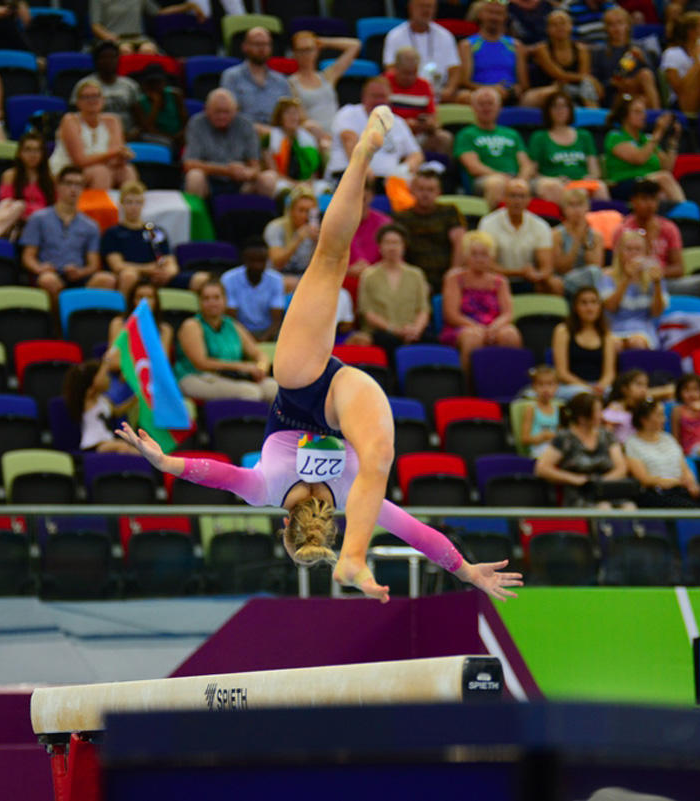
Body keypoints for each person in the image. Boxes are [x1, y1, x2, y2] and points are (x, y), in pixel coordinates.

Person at [118, 106, 521, 603]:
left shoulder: (355, 503)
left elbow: (418, 534)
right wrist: (165, 463)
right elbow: (218, 475)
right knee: (330, 259)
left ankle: (353, 556)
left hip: (340, 399)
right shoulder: (264, 490)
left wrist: (464, 571)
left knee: (378, 459)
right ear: (287, 524)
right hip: (300, 381)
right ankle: (360, 158)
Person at [613, 178, 700, 311]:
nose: (649, 204)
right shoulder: (623, 230)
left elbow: (678, 269)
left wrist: (657, 274)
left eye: (653, 199)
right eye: (644, 199)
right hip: (632, 282)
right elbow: (617, 265)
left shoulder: (668, 228)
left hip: (665, 282)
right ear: (633, 201)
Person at [171, 278, 279, 403]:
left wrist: (260, 368)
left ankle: (271, 423)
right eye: (206, 298)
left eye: (216, 297)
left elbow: (258, 353)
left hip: (230, 376)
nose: (212, 302)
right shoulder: (192, 325)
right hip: (195, 377)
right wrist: (241, 367)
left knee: (273, 388)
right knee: (250, 392)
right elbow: (201, 363)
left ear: (225, 300)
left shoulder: (232, 325)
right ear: (199, 302)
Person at [20, 166, 116, 303]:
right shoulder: (39, 218)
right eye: (68, 183)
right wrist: (40, 268)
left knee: (107, 279)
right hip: (50, 273)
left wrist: (80, 272)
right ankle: (55, 324)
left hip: (78, 276)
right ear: (58, 186)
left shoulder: (90, 225)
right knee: (48, 280)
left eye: (78, 184)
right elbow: (28, 256)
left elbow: (93, 264)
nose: (73, 189)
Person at [440, 230, 523, 372]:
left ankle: (508, 385)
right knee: (473, 337)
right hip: (462, 326)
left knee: (510, 335)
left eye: (484, 254)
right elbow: (451, 314)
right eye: (474, 254)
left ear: (492, 257)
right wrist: (476, 327)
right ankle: (469, 387)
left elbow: (507, 313)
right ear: (466, 256)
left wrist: (495, 327)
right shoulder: (455, 279)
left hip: (493, 326)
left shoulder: (500, 282)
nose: (479, 259)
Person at [533, 391, 631, 505]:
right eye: (598, 411)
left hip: (607, 491)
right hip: (579, 494)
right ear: (582, 418)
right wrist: (574, 479)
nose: (602, 415)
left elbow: (621, 468)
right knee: (604, 507)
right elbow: (542, 469)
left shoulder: (607, 436)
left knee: (629, 506)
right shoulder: (564, 438)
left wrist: (600, 482)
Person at [357, 223, 432, 360]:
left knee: (431, 342)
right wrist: (394, 330)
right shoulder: (369, 275)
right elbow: (367, 312)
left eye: (396, 243)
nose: (392, 247)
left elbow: (423, 309)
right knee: (389, 341)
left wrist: (416, 329)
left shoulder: (416, 274)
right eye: (387, 243)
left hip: (411, 329)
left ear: (404, 246)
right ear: (380, 247)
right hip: (382, 331)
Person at [182, 88, 275, 199]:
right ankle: (197, 215)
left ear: (235, 111)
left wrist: (248, 173)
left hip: (240, 183)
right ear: (207, 110)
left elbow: (255, 166)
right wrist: (225, 170)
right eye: (217, 112)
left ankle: (261, 215)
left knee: (269, 178)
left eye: (226, 112)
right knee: (194, 176)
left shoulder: (246, 124)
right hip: (210, 181)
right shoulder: (196, 123)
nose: (222, 116)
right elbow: (189, 164)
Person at [325, 78, 423, 181]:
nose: (379, 101)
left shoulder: (398, 123)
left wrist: (404, 169)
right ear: (363, 97)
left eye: (383, 96)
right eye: (374, 96)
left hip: (386, 183)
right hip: (347, 178)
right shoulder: (349, 113)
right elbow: (350, 143)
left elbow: (416, 155)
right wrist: (364, 169)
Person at [50, 77, 137, 191]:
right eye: (86, 97)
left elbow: (115, 156)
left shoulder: (113, 121)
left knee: (126, 170)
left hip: (102, 167)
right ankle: (98, 208)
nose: (92, 100)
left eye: (96, 96)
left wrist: (122, 157)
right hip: (69, 170)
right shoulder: (70, 120)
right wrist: (115, 153)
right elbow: (80, 161)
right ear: (78, 102)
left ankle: (131, 206)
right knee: (100, 173)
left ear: (103, 99)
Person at [454, 87, 535, 207]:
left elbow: (526, 164)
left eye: (490, 104)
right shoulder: (466, 134)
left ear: (499, 107)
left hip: (515, 177)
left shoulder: (512, 134)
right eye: (481, 104)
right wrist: (502, 177)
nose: (486, 108)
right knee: (496, 184)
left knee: (550, 186)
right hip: (485, 179)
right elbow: (473, 167)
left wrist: (520, 180)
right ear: (473, 108)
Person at [456, 0, 545, 106]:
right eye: (490, 12)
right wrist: (492, 90)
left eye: (498, 14)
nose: (494, 17)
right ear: (480, 15)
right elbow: (464, 81)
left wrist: (512, 91)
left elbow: (524, 84)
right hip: (479, 95)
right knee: (463, 96)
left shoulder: (516, 45)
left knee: (547, 95)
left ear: (505, 17)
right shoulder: (468, 45)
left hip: (510, 96)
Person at [393, 167, 465, 294]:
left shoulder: (450, 211)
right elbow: (397, 250)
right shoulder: (402, 217)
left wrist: (453, 274)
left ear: (439, 192)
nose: (425, 194)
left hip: (446, 274)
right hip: (412, 277)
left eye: (430, 190)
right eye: (421, 189)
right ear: (411, 191)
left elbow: (459, 242)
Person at [477, 177, 556, 293]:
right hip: (495, 279)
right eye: (513, 196)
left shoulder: (541, 225)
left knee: (554, 284)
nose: (517, 201)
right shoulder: (488, 223)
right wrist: (519, 272)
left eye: (522, 196)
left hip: (529, 280)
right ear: (504, 198)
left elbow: (546, 267)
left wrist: (537, 275)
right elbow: (486, 264)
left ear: (529, 199)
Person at [101, 181, 180, 293]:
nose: (134, 207)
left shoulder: (154, 230)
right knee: (128, 275)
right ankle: (123, 310)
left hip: (155, 277)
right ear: (121, 204)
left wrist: (168, 273)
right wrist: (148, 269)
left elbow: (170, 261)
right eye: (129, 202)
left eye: (138, 202)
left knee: (197, 278)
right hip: (129, 276)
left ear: (143, 204)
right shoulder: (113, 233)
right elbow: (117, 266)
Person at [603, 95, 684, 203]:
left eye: (643, 112)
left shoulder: (646, 139)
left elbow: (667, 168)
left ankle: (680, 217)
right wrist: (658, 132)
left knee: (663, 195)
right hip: (625, 184)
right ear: (624, 115)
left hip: (651, 185)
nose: (643, 116)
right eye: (637, 112)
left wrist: (672, 142)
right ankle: (688, 212)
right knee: (664, 179)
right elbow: (639, 158)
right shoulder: (615, 137)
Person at [626, 397, 700, 507]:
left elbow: (684, 468)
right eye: (659, 415)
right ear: (644, 419)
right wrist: (674, 482)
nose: (664, 419)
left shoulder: (668, 438)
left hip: (681, 488)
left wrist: (691, 484)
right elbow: (644, 479)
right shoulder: (632, 443)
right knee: (689, 508)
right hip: (656, 493)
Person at [288, 30, 361, 144]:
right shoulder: (291, 83)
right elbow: (302, 118)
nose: (306, 55)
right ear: (295, 53)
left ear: (316, 51)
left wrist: (323, 42)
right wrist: (322, 136)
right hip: (315, 136)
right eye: (301, 50)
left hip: (339, 132)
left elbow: (354, 45)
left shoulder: (327, 76)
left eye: (310, 49)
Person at [382, 0, 462, 103]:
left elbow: (455, 69)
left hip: (440, 90)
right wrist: (417, 89)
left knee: (465, 97)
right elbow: (391, 70)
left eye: (430, 7)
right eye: (422, 6)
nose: (426, 10)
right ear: (410, 8)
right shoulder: (395, 36)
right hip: (408, 90)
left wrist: (449, 90)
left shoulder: (445, 36)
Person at [600, 228, 668, 349]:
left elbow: (657, 312)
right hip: (614, 327)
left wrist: (657, 284)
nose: (633, 253)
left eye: (638, 249)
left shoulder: (654, 276)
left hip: (644, 328)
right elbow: (610, 307)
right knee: (614, 344)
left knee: (637, 342)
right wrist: (626, 279)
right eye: (629, 249)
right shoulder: (607, 277)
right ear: (620, 252)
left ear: (645, 252)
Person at [384, 46, 452, 156]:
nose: (410, 77)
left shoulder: (424, 85)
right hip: (391, 134)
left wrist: (429, 124)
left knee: (444, 138)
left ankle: (436, 169)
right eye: (406, 73)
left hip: (418, 134)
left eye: (413, 73)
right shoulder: (384, 83)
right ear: (395, 68)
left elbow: (433, 117)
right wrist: (402, 124)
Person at [221, 28, 291, 134]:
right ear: (245, 47)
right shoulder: (232, 77)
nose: (262, 48)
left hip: (277, 136)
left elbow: (288, 113)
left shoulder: (281, 81)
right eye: (257, 44)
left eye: (266, 44)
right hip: (244, 134)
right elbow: (230, 114)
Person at [63, 358, 139, 454]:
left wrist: (135, 399)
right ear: (91, 381)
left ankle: (151, 462)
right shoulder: (89, 399)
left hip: (107, 441)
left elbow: (117, 412)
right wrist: (106, 364)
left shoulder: (103, 400)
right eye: (105, 375)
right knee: (123, 447)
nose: (108, 378)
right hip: (94, 444)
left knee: (133, 446)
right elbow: (96, 382)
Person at [551, 286, 615, 400]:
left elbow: (609, 373)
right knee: (583, 395)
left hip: (599, 387)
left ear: (600, 307)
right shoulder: (563, 331)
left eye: (594, 302)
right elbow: (562, 373)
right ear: (575, 307)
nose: (589, 308)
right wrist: (587, 388)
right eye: (584, 303)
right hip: (571, 386)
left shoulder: (606, 335)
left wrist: (600, 386)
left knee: (616, 394)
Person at [0, 130, 53, 239]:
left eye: (37, 150)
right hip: (17, 223)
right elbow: (6, 205)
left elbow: (53, 207)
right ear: (20, 153)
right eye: (28, 150)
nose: (33, 155)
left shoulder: (51, 178)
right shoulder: (10, 175)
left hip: (43, 224)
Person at [591, 7, 661, 109]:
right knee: (628, 97)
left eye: (620, 23)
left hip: (638, 94)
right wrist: (612, 82)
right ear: (606, 28)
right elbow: (596, 82)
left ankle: (657, 115)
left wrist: (643, 60)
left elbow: (654, 79)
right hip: (616, 95)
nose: (616, 28)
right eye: (611, 24)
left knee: (645, 74)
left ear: (627, 25)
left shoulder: (640, 48)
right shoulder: (599, 52)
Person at [74, 43, 144, 142]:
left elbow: (139, 118)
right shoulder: (84, 85)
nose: (108, 61)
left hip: (129, 136)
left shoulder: (130, 85)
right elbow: (77, 116)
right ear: (96, 61)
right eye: (104, 58)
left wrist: (134, 133)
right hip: (95, 136)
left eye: (112, 57)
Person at [531, 10, 600, 108]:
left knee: (587, 87)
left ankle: (594, 118)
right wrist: (588, 79)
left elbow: (583, 75)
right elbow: (559, 75)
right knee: (570, 89)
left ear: (570, 26)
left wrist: (586, 79)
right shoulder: (541, 49)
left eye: (563, 23)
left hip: (576, 89)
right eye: (554, 24)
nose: (559, 27)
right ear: (547, 29)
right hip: (547, 89)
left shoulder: (581, 49)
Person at [221, 237, 285, 342]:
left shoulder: (276, 280)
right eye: (252, 261)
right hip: (238, 332)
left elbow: (276, 321)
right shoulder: (228, 279)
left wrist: (263, 339)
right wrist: (248, 341)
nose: (257, 266)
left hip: (268, 333)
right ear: (244, 260)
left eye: (261, 261)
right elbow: (231, 319)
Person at [265, 98, 326, 194]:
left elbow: (314, 170)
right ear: (280, 117)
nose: (292, 117)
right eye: (288, 113)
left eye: (295, 113)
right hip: (283, 181)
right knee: (282, 188)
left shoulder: (308, 139)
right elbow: (273, 171)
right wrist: (295, 184)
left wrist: (308, 183)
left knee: (323, 187)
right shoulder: (270, 138)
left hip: (306, 181)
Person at [265, 186, 320, 288]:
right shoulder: (275, 227)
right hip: (277, 276)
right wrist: (297, 239)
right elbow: (277, 262)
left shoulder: (317, 231)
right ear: (291, 211)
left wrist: (318, 243)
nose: (305, 215)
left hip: (303, 277)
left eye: (309, 211)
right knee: (295, 284)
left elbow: (318, 268)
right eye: (301, 210)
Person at [552, 188, 605, 294]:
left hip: (589, 279)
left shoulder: (596, 235)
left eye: (580, 204)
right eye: (572, 205)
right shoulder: (556, 234)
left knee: (594, 272)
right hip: (565, 280)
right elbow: (561, 268)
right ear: (564, 209)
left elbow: (596, 266)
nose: (576, 210)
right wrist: (576, 241)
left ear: (587, 207)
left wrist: (585, 240)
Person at [108, 275, 173, 356]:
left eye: (150, 297)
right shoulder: (119, 324)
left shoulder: (164, 330)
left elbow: (162, 364)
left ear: (156, 302)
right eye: (140, 297)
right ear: (132, 301)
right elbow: (113, 361)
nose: (144, 302)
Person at [137, 62, 187, 148]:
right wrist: (156, 105)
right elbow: (147, 128)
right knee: (163, 142)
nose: (156, 86)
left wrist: (181, 133)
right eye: (152, 83)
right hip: (158, 137)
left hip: (178, 134)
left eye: (159, 82)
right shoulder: (140, 102)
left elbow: (185, 120)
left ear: (164, 82)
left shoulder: (176, 95)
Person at [349, 176, 392, 272]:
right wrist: (348, 271)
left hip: (378, 277)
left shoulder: (384, 223)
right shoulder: (337, 223)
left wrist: (371, 271)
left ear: (371, 196)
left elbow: (393, 257)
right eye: (355, 198)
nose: (359, 203)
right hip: (343, 279)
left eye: (363, 198)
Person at [519, 365, 561, 457]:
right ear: (534, 387)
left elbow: (561, 434)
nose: (545, 389)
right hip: (538, 450)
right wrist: (541, 437)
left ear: (556, 386)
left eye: (550, 384)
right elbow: (524, 439)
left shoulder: (558, 409)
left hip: (554, 448)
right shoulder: (531, 409)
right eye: (541, 385)